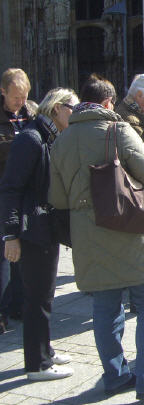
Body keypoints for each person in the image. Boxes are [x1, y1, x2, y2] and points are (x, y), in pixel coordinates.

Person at [49, 75, 144, 401]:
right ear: (107, 103)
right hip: (132, 232)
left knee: (105, 309)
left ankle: (116, 376)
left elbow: (57, 198)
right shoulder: (118, 130)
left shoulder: (62, 140)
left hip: (90, 238)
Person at [0, 87, 78, 380]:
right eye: (73, 107)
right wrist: (10, 235)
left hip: (45, 226)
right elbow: (11, 188)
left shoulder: (49, 136)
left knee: (45, 294)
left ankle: (45, 350)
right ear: (57, 108)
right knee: (36, 298)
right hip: (32, 229)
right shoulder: (31, 138)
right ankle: (38, 365)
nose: (76, 113)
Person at [0, 68, 34, 334]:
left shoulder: (30, 113)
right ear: (2, 92)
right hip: (5, 191)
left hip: (27, 193)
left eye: (24, 97)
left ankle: (19, 305)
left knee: (23, 253)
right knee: (4, 255)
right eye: (15, 98)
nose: (20, 103)